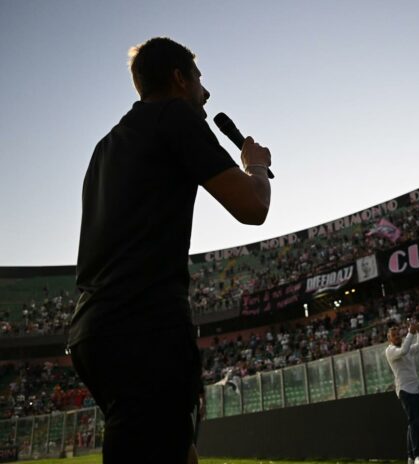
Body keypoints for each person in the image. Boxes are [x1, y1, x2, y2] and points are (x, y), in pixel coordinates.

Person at [68, 37, 272, 464]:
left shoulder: (104, 147)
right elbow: (253, 208)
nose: (206, 92)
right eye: (199, 79)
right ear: (180, 79)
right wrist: (254, 163)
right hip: (143, 325)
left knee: (173, 447)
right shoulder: (175, 115)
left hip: (92, 330)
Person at [385, 321, 419, 464]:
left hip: (416, 388)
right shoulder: (390, 351)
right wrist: (411, 333)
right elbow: (403, 351)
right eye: (393, 335)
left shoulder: (406, 347)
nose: (396, 337)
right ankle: (418, 456)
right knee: (414, 422)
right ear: (389, 339)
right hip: (405, 390)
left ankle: (410, 456)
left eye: (398, 334)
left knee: (415, 423)